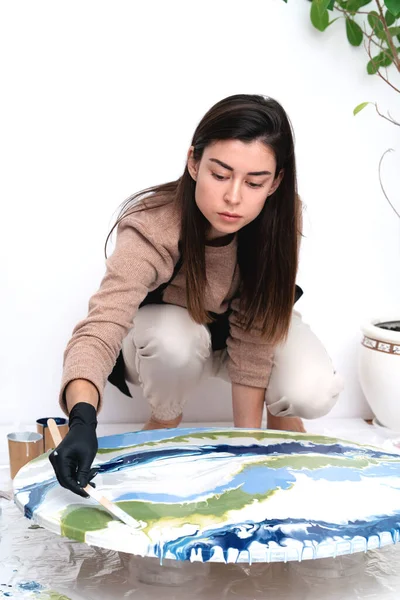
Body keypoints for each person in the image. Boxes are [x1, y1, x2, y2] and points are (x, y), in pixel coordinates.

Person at [49, 94, 344, 497]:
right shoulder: (154, 225)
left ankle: (278, 420)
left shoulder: (280, 216)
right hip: (174, 337)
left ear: (274, 182)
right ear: (193, 162)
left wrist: (247, 448)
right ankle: (165, 419)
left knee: (312, 388)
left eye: (255, 182)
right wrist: (82, 421)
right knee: (174, 339)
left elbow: (256, 330)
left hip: (244, 332)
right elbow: (104, 324)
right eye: (220, 175)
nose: (234, 197)